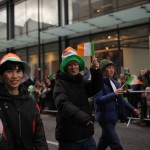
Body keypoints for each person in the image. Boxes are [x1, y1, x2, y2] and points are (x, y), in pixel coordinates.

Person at [53, 46, 103, 150]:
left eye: (75, 64)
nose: (73, 67)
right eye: (70, 65)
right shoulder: (60, 84)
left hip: (86, 135)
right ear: (66, 67)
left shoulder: (82, 81)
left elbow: (96, 87)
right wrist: (84, 118)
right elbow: (63, 103)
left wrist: (95, 71)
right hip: (69, 137)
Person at [0, 53, 48, 150]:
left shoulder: (31, 102)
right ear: (2, 74)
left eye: (18, 71)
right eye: (9, 71)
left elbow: (39, 137)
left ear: (22, 74)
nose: (14, 76)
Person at [94, 59, 140, 150]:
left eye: (113, 68)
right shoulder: (99, 83)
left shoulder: (115, 83)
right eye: (108, 67)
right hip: (104, 118)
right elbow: (98, 100)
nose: (111, 70)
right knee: (115, 144)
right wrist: (114, 94)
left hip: (114, 117)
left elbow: (121, 100)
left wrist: (132, 109)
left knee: (104, 141)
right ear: (103, 70)